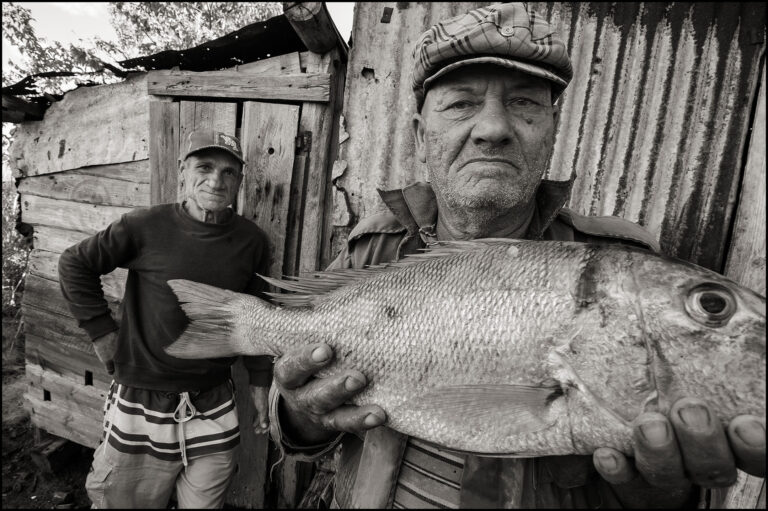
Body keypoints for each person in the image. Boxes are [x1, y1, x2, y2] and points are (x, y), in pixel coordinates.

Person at [266, 3, 766, 509]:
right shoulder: (370, 250)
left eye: (525, 103)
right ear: (420, 136)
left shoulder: (621, 266)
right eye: (461, 103)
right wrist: (301, 411)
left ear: (551, 131)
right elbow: (295, 408)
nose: (492, 129)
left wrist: (667, 491)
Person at [58, 130, 274, 508]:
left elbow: (254, 316)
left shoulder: (251, 241)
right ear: (182, 171)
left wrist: (259, 381)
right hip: (142, 400)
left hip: (214, 401)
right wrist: (102, 333)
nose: (216, 180)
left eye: (229, 172)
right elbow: (75, 263)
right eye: (204, 167)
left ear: (240, 180)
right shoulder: (144, 226)